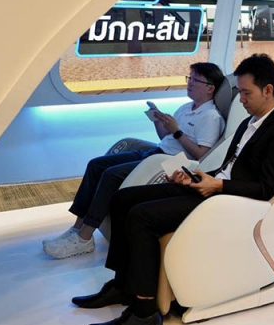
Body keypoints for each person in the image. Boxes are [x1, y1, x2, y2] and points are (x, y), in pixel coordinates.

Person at [71, 54, 274, 325]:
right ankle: (123, 285)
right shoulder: (249, 123)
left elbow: (267, 188)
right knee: (122, 199)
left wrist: (217, 186)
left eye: (246, 93)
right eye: (240, 92)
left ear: (268, 90)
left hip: (227, 202)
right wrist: (194, 177)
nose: (241, 100)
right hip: (213, 188)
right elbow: (227, 167)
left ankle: (144, 312)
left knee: (141, 217)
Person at [42, 62, 226, 259]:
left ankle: (85, 237)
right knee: (96, 165)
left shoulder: (211, 117)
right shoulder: (185, 108)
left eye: (195, 80)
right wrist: (158, 121)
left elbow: (201, 155)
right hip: (156, 151)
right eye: (189, 78)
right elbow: (165, 137)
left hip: (170, 162)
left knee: (111, 175)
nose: (190, 83)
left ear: (210, 88)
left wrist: (177, 131)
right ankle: (77, 228)